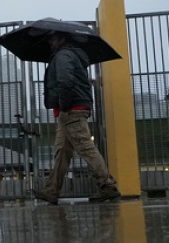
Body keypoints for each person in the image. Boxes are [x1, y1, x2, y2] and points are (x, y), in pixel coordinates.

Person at [32, 32, 122, 204]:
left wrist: (64, 106)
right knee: (62, 152)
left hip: (71, 110)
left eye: (52, 37)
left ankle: (108, 186)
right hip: (70, 110)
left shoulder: (63, 55)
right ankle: (51, 190)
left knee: (86, 149)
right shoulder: (71, 55)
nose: (50, 41)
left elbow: (65, 82)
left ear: (62, 38)